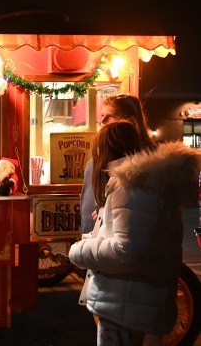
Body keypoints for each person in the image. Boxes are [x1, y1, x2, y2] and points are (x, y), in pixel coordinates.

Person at [69, 121, 201, 346]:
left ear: (104, 149)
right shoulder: (151, 181)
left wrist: (79, 250)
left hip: (126, 305)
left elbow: (126, 250)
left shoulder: (130, 185)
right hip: (144, 300)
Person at [80, 94, 154, 234]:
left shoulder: (154, 163)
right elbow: (88, 215)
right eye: (102, 115)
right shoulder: (96, 160)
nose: (102, 121)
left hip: (120, 243)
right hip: (98, 243)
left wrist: (108, 211)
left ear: (130, 121)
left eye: (110, 116)